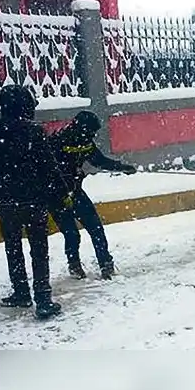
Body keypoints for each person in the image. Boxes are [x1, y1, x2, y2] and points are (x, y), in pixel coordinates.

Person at [0, 85, 72, 320]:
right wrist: (62, 192)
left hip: (6, 201)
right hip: (33, 201)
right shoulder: (34, 131)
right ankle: (43, 298)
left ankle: (21, 292)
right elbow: (48, 166)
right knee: (39, 250)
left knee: (13, 248)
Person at [47, 111, 136, 280]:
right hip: (56, 196)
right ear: (82, 128)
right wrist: (63, 190)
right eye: (91, 131)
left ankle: (106, 265)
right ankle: (74, 266)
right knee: (72, 233)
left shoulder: (84, 140)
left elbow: (99, 161)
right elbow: (50, 171)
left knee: (96, 229)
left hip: (75, 192)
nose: (93, 135)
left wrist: (122, 167)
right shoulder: (57, 142)